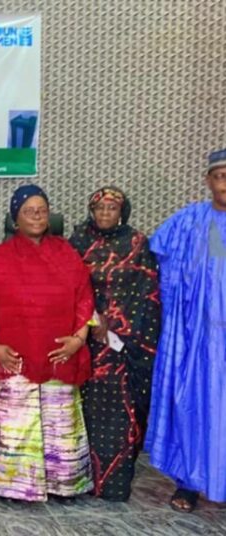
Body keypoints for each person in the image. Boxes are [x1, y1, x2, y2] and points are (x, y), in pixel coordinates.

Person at [0, 184, 95, 502]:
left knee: (60, 422)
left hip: (60, 355)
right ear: (15, 218)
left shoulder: (67, 253)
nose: (37, 216)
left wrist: (78, 339)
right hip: (14, 358)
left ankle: (63, 483)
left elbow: (86, 298)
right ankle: (13, 486)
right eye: (29, 210)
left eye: (42, 210)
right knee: (15, 422)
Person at [145, 149, 226, 512]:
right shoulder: (188, 222)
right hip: (196, 341)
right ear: (208, 181)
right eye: (219, 175)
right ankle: (190, 482)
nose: (225, 183)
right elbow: (151, 254)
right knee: (193, 405)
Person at [69, 187, 160, 501]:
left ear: (122, 212)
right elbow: (67, 287)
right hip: (85, 343)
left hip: (125, 348)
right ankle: (80, 481)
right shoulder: (78, 242)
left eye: (112, 208)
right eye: (100, 208)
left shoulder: (137, 243)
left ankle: (114, 485)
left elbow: (148, 292)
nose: (105, 214)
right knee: (85, 411)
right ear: (91, 212)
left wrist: (119, 327)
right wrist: (93, 319)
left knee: (122, 414)